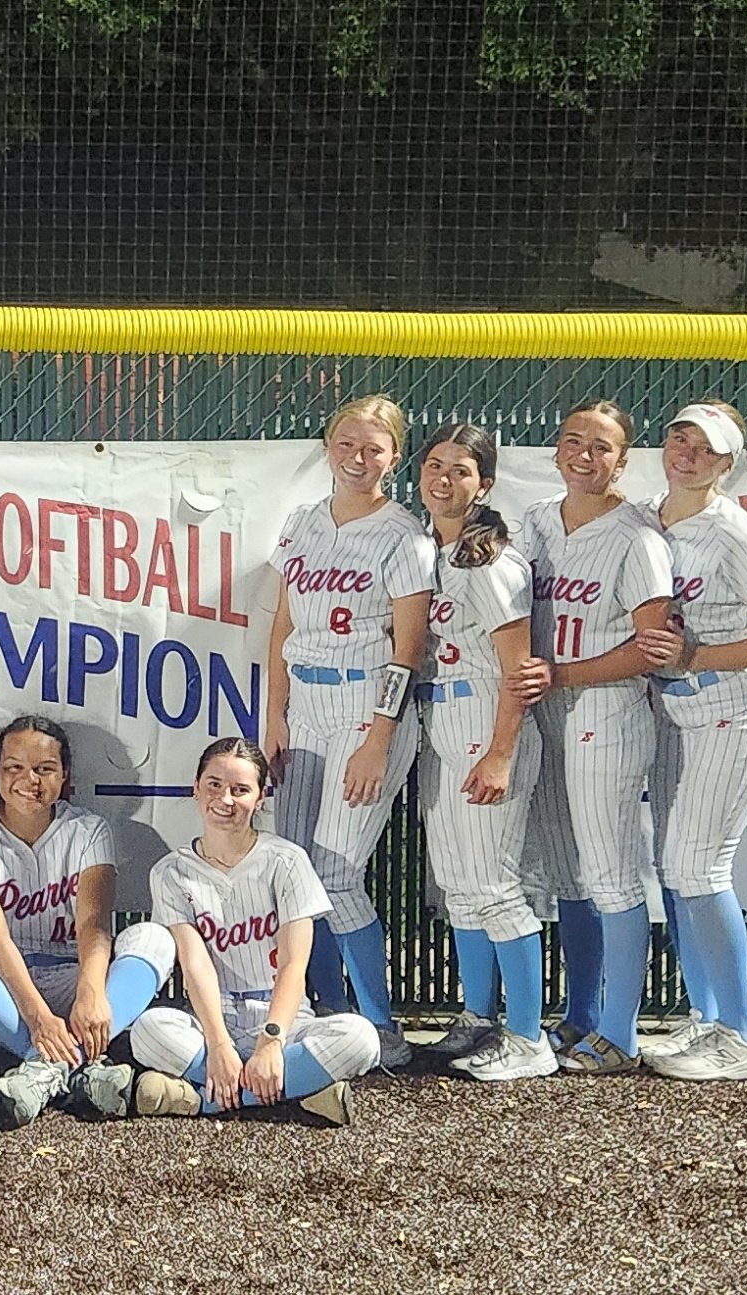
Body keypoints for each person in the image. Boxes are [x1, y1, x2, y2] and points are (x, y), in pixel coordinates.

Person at [261, 393, 433, 1065]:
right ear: (328, 447)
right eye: (347, 444)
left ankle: (380, 1023)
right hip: (304, 703)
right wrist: (272, 712)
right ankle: (323, 1008)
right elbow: (282, 623)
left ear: (394, 456)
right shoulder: (303, 521)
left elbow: (408, 646)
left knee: (332, 871)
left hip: (365, 704)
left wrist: (378, 737)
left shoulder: (402, 533)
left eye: (373, 448)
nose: (358, 458)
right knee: (295, 867)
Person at [636, 402, 747, 1081]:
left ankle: (741, 1035)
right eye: (679, 436)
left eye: (705, 448)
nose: (687, 452)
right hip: (678, 711)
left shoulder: (732, 532)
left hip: (731, 707)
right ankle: (707, 1020)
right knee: (676, 869)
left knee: (698, 869)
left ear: (726, 463)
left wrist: (696, 656)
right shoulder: (646, 514)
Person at [513, 399, 674, 1075]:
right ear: (555, 449)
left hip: (604, 708)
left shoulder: (636, 535)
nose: (584, 453)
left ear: (621, 460)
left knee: (610, 872)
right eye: (572, 439)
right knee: (568, 873)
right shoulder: (535, 522)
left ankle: (619, 1029)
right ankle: (580, 1013)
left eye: (601, 446)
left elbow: (654, 647)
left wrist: (563, 672)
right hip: (546, 709)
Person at [127, 739, 381, 1124]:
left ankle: (199, 1100)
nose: (225, 799)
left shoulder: (288, 860)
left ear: (261, 797)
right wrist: (218, 1045)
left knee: (361, 1039)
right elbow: (195, 967)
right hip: (215, 1015)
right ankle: (297, 1093)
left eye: (240, 789)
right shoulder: (170, 871)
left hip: (285, 1016)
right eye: (214, 784)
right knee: (148, 1031)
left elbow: (295, 966)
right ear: (195, 788)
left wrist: (272, 1042)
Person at [0, 715, 172, 1125]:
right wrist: (38, 1018)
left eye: (44, 769)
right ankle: (77, 1068)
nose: (28, 780)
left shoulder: (87, 829)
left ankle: (44, 1071)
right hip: (2, 990)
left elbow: (93, 924)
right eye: (14, 767)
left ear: (65, 775)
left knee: (152, 938)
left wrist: (90, 993)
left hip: (68, 975)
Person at [412, 424, 554, 1080]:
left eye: (461, 469)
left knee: (495, 886)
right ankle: (477, 1015)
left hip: (483, 717)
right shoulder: (431, 551)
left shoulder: (488, 559)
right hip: (443, 715)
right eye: (434, 464)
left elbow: (515, 666)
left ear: (484, 483)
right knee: (460, 886)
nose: (444, 478)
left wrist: (499, 752)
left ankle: (527, 1036)